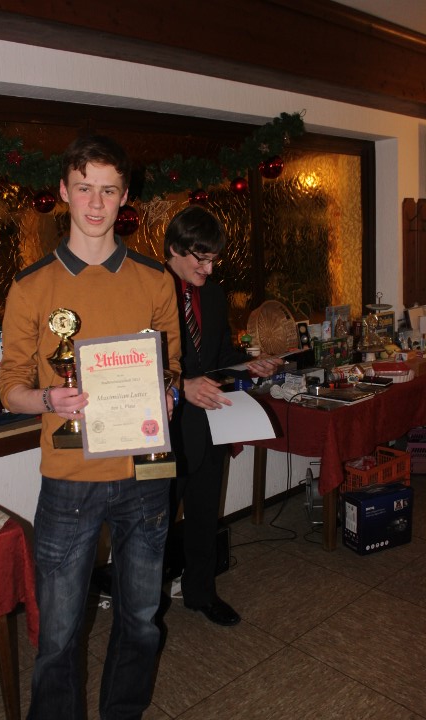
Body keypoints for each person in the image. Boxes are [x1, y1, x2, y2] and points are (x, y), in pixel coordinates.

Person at [0, 134, 181, 720]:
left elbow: (172, 367)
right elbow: (10, 388)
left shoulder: (156, 280)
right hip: (69, 480)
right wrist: (48, 397)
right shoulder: (31, 286)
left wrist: (169, 394)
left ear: (125, 196)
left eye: (108, 190)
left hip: (145, 474)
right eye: (84, 188)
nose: (96, 203)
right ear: (63, 191)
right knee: (57, 636)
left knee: (142, 620)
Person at [164, 205, 282, 626]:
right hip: (163, 430)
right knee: (155, 527)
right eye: (202, 259)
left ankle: (201, 593)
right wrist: (181, 386)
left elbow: (217, 357)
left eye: (215, 259)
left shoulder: (212, 295)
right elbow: (134, 365)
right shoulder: (148, 290)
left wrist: (248, 364)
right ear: (175, 249)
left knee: (203, 516)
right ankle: (146, 610)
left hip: (210, 425)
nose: (210, 269)